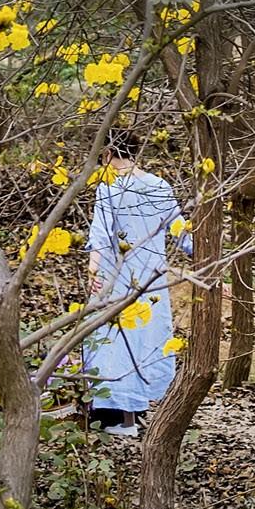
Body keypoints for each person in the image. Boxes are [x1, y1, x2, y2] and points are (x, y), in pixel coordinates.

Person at [84, 124, 183, 433]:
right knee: (143, 342)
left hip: (117, 278)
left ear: (109, 153)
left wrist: (92, 271)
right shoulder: (159, 186)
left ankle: (114, 418)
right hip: (152, 280)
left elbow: (100, 236)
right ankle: (135, 413)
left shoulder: (109, 187)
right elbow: (180, 231)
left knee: (111, 344)